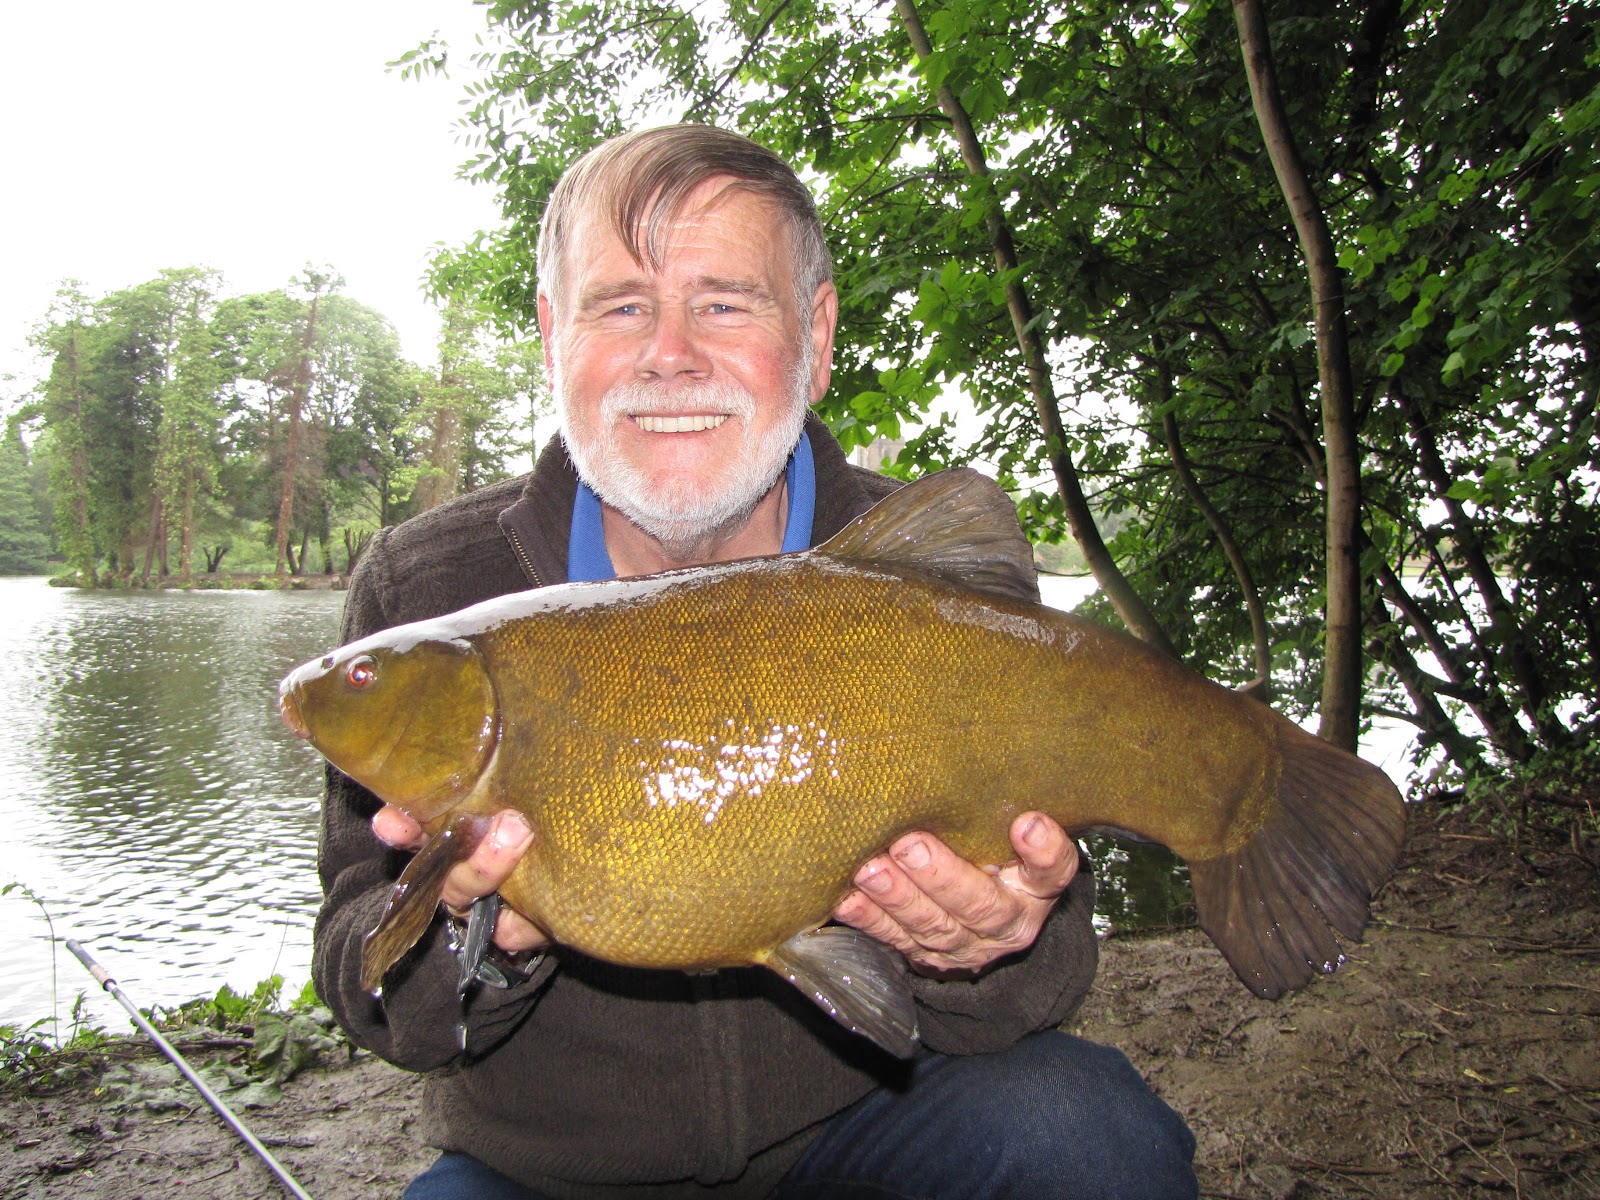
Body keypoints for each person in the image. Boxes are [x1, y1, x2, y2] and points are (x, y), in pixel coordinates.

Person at [313, 125, 1198, 1200]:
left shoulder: (922, 577)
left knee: (1087, 1136)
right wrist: (477, 930)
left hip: (875, 1118)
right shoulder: (426, 591)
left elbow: (1032, 994)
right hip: (559, 1173)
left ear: (816, 337)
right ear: (553, 337)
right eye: (621, 305)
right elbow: (368, 984)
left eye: (724, 302)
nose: (669, 352)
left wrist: (986, 944)